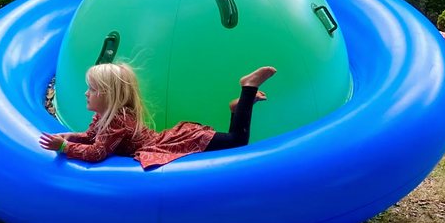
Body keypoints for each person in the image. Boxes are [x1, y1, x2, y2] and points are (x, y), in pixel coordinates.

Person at [39, 63, 276, 169]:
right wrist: (72, 136)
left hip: (172, 143)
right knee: (232, 140)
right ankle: (238, 108)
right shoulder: (105, 116)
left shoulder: (117, 120)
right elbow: (92, 137)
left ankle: (248, 88)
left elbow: (97, 153)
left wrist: (64, 147)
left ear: (109, 95)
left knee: (237, 141)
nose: (86, 93)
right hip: (169, 138)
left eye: (92, 89)